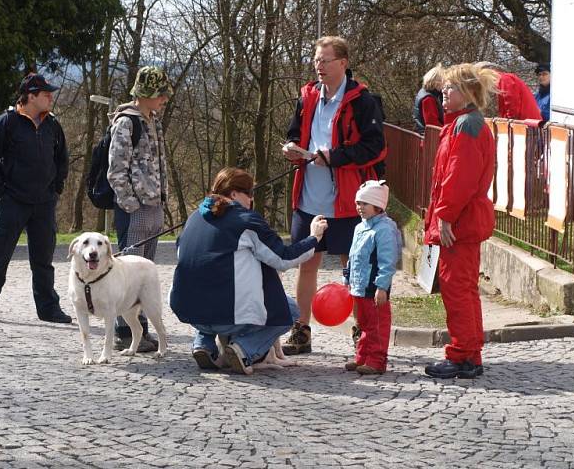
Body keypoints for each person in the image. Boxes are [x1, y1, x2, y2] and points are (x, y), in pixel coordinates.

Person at [281, 35, 386, 355]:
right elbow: (294, 133)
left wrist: (335, 157)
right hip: (309, 196)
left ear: (343, 63)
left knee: (353, 266)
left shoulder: (363, 100)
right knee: (306, 263)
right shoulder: (307, 97)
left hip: (347, 200)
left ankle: (361, 332)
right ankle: (301, 330)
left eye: (325, 60)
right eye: (316, 60)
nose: (319, 66)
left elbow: (375, 148)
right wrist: (292, 148)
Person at [169, 167, 328, 375]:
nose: (252, 200)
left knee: (204, 285)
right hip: (228, 315)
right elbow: (283, 258)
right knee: (290, 312)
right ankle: (244, 349)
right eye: (249, 193)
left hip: (187, 308)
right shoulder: (245, 220)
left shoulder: (193, 218)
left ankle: (204, 344)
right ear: (234, 194)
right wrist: (314, 237)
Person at [0, 73, 71, 323]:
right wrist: (0, 193)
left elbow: (62, 159)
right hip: (12, 201)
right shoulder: (6, 122)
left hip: (43, 204)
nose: (51, 97)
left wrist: (55, 189)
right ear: (31, 96)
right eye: (46, 94)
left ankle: (48, 309)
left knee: (44, 261)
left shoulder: (52, 125)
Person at [423, 63, 497, 379]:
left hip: (460, 222)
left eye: (450, 88)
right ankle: (470, 353)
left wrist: (445, 218)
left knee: (457, 290)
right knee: (464, 289)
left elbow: (458, 179)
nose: (444, 93)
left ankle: (462, 355)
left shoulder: (466, 126)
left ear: (465, 93)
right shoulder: (465, 124)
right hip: (464, 220)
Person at [107, 65, 172, 353]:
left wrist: (161, 198)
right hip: (134, 209)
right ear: (146, 94)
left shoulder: (153, 120)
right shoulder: (126, 123)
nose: (164, 100)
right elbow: (116, 170)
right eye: (160, 94)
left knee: (145, 272)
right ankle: (124, 330)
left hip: (154, 205)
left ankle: (141, 330)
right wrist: (132, 204)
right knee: (128, 271)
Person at [343, 180, 402, 375]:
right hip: (358, 286)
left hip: (374, 287)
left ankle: (376, 361)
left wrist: (382, 286)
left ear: (377, 206)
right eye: (358, 203)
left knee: (377, 326)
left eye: (364, 204)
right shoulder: (360, 227)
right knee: (363, 325)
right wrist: (348, 277)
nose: (359, 207)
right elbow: (353, 255)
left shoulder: (384, 229)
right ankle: (362, 357)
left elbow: (387, 261)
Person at [475, 61, 541, 121]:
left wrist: (506, 121)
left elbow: (512, 106)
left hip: (528, 125)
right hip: (525, 123)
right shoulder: (503, 80)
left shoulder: (505, 79)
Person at [412, 63, 445, 134]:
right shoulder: (428, 98)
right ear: (437, 82)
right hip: (428, 138)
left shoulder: (424, 92)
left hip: (425, 134)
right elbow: (432, 124)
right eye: (443, 81)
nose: (444, 84)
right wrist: (447, 132)